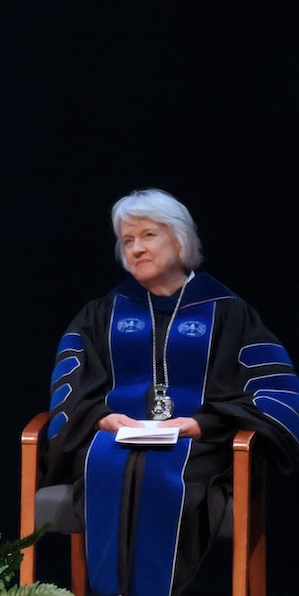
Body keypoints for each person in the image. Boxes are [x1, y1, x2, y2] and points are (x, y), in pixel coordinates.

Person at [44, 189, 299, 596]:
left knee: (162, 471)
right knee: (107, 464)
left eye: (148, 235)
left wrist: (201, 424)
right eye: (127, 240)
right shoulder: (103, 313)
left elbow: (271, 389)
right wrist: (101, 418)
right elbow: (70, 386)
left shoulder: (228, 312)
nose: (136, 248)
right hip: (113, 441)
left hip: (199, 447)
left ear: (180, 240)